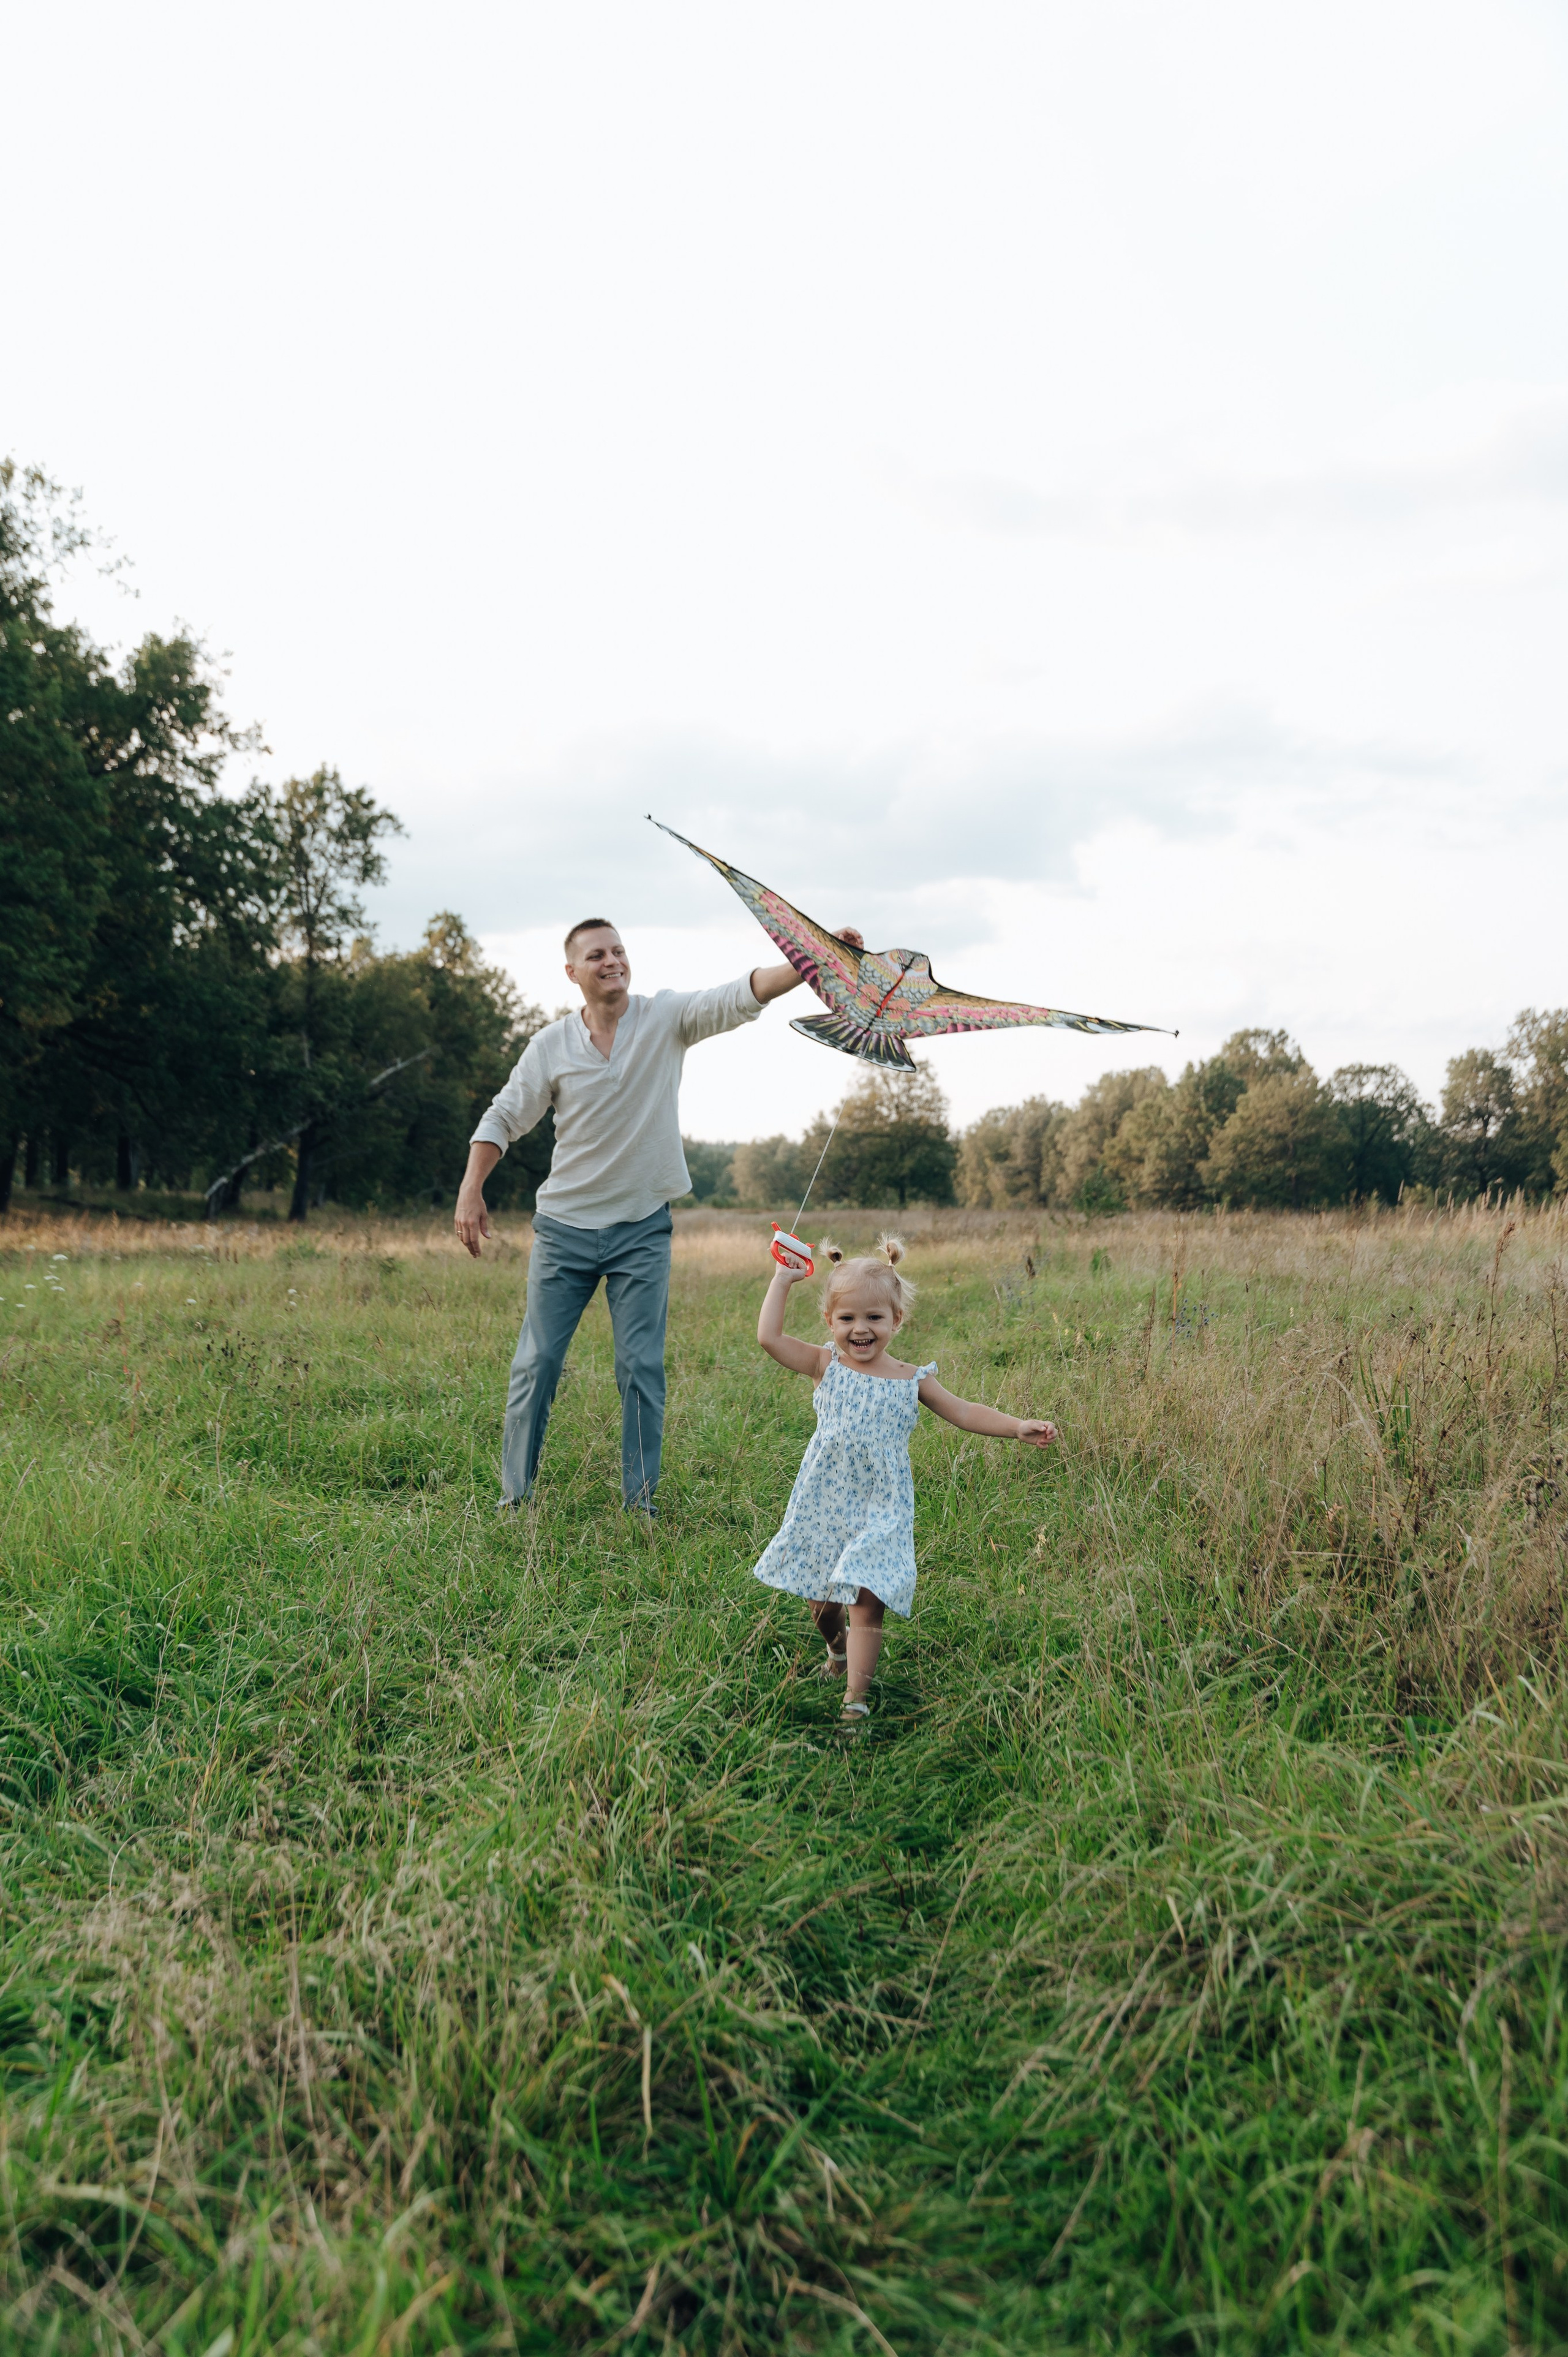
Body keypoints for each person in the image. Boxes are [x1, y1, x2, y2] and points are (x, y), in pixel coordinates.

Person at [454, 913, 862, 1514]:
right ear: (572, 971)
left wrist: (815, 962)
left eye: (618, 950)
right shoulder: (551, 1046)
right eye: (596, 955)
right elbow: (503, 1116)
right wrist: (471, 1187)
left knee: (640, 1366)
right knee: (536, 1363)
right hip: (564, 1231)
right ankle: (515, 1499)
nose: (612, 960)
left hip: (641, 1230)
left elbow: (738, 994)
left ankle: (639, 1503)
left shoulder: (665, 1017)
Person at [753, 1234, 1058, 1729]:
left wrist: (1015, 1426)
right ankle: (835, 1647)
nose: (861, 1329)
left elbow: (963, 1411)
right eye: (847, 1318)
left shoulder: (913, 1379)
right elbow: (769, 1338)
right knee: (822, 1603)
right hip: (824, 1500)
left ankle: (856, 1703)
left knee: (867, 1601)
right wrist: (782, 1280)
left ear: (897, 1320)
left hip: (882, 1508)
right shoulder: (824, 1364)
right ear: (830, 1322)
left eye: (874, 1318)